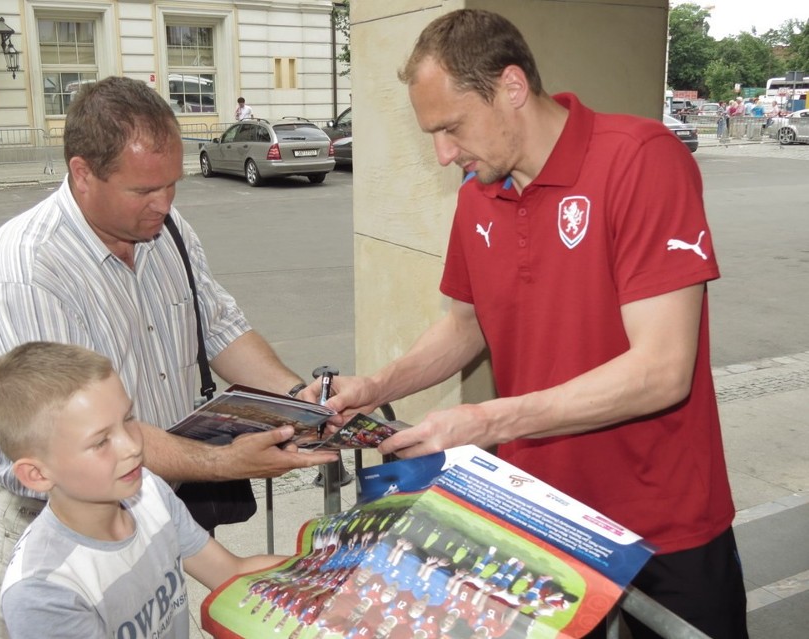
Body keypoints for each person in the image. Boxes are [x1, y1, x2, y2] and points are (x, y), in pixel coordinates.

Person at [305, 10, 748, 639]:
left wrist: (487, 421)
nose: (443, 154)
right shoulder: (476, 193)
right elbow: (466, 326)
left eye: (452, 127)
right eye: (432, 133)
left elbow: (662, 371)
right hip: (541, 518)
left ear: (512, 88)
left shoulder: (642, 160)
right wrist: (376, 387)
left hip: (664, 521)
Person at [0, 75, 337, 638]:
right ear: (82, 172)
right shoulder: (24, 274)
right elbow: (67, 430)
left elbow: (219, 327)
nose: (164, 205)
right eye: (144, 191)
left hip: (140, 501)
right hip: (41, 524)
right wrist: (222, 463)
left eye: (172, 185)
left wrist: (301, 402)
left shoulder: (166, 228)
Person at [0, 341, 287, 638]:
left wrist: (324, 566)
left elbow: (230, 572)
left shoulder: (150, 492)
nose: (132, 446)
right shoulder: (43, 592)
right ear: (36, 474)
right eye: (101, 442)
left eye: (128, 419)